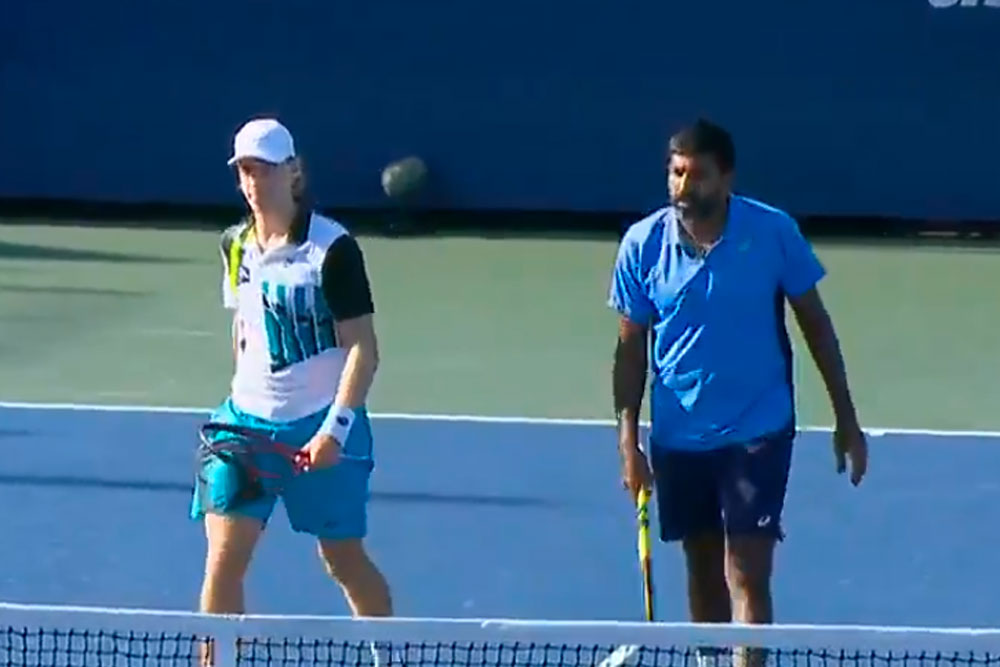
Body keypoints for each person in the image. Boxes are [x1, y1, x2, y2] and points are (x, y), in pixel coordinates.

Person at [608, 119, 867, 644]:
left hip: (758, 429)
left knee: (748, 570)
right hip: (679, 434)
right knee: (702, 567)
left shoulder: (773, 233)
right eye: (676, 173)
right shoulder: (642, 244)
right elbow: (630, 349)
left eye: (697, 175)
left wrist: (846, 417)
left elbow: (815, 324)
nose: (684, 186)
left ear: (726, 178)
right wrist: (628, 441)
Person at [190, 117, 393, 620]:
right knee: (223, 561)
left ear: (294, 172)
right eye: (246, 171)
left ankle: (388, 654)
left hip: (320, 426)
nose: (254, 183)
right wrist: (249, 394)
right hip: (245, 427)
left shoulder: (333, 250)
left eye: (266, 170)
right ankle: (220, 657)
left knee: (343, 560)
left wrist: (334, 431)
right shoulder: (234, 244)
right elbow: (244, 327)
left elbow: (363, 350)